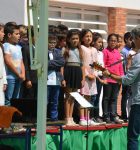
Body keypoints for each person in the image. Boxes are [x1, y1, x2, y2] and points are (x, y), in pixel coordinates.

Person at [102, 26, 140, 150]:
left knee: (133, 136)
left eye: (133, 39)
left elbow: (128, 79)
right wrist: (129, 63)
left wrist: (110, 75)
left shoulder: (138, 58)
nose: (132, 41)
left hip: (138, 102)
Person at [62, 29, 84, 126]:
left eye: (77, 38)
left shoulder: (80, 50)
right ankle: (67, 118)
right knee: (68, 96)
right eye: (73, 38)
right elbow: (62, 66)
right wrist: (63, 78)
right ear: (69, 39)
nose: (75, 40)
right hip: (69, 71)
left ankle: (71, 118)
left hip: (77, 72)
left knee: (74, 96)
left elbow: (82, 65)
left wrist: (82, 78)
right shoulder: (65, 50)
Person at [102, 33, 124, 123]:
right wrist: (105, 77)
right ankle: (106, 116)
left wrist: (121, 77)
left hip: (117, 79)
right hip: (108, 78)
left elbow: (120, 66)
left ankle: (113, 115)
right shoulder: (105, 51)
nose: (113, 42)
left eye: (115, 41)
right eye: (111, 40)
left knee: (114, 98)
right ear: (108, 41)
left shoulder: (118, 53)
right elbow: (103, 65)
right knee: (107, 98)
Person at [79, 29, 100, 126]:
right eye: (86, 36)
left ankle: (88, 117)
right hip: (85, 76)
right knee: (83, 96)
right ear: (82, 38)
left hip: (93, 76)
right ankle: (82, 118)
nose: (89, 38)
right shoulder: (81, 48)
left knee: (89, 97)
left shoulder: (94, 49)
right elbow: (81, 63)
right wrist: (87, 74)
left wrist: (95, 74)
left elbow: (96, 64)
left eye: (90, 36)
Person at [3, 24, 25, 105]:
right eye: (16, 34)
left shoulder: (19, 47)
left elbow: (21, 62)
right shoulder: (6, 45)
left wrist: (23, 74)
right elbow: (7, 61)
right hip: (10, 77)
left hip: (18, 77)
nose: (19, 36)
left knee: (16, 100)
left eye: (19, 34)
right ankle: (7, 117)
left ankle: (14, 117)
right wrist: (18, 74)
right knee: (8, 99)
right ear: (9, 35)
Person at [47, 34, 65, 121]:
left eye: (54, 43)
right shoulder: (43, 51)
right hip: (46, 80)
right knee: (45, 101)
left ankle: (54, 118)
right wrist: (54, 63)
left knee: (55, 101)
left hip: (56, 79)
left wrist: (50, 63)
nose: (52, 44)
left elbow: (62, 62)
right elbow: (44, 64)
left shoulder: (58, 51)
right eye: (50, 42)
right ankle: (44, 117)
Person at [92, 32, 107, 123]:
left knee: (98, 97)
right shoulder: (93, 52)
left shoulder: (101, 53)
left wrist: (104, 76)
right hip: (94, 77)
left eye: (101, 42)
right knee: (93, 97)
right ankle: (91, 116)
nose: (100, 44)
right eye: (98, 42)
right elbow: (94, 65)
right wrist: (99, 78)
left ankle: (96, 115)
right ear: (93, 42)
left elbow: (102, 66)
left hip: (101, 76)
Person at [121, 32, 133, 122]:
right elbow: (123, 65)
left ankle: (130, 115)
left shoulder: (132, 50)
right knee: (125, 96)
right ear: (126, 40)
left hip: (133, 77)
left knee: (131, 97)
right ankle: (124, 115)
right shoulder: (124, 51)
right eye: (130, 39)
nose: (132, 41)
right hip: (126, 77)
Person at [0, 23, 7, 105]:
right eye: (2, 31)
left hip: (1, 80)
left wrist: (4, 81)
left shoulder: (1, 47)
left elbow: (2, 66)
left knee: (1, 104)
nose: (3, 34)